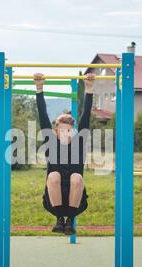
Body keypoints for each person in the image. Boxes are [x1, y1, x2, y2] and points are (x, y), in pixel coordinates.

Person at [34, 73, 95, 235]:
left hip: (75, 198)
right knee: (53, 175)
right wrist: (39, 88)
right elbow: (42, 115)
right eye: (62, 130)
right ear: (56, 130)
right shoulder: (51, 142)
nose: (65, 133)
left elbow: (86, 116)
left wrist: (88, 89)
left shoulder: (78, 142)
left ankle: (70, 221)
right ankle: (59, 219)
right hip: (54, 200)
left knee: (77, 177)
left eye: (68, 130)